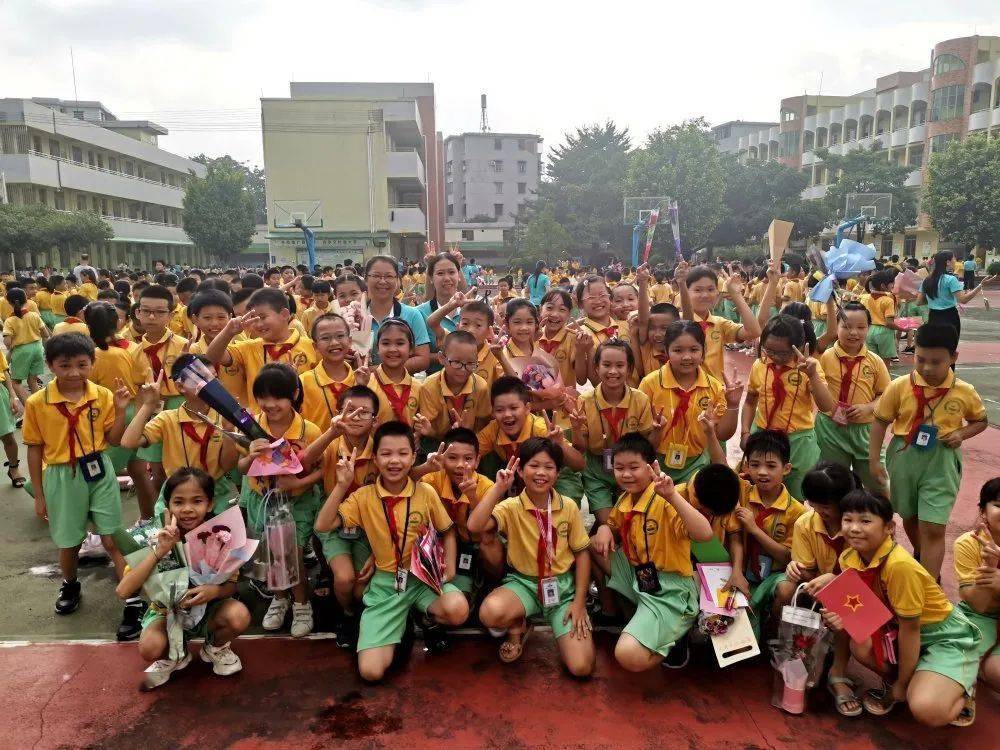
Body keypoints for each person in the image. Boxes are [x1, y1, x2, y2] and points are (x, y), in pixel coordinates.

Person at [804, 490, 981, 726]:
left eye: (865, 521)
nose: (854, 528)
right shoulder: (850, 557)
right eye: (848, 520)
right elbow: (862, 610)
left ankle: (963, 687)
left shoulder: (899, 566)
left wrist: (901, 685)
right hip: (898, 631)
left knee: (926, 710)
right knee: (860, 642)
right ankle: (916, 682)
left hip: (943, 636)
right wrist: (833, 584)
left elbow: (911, 630)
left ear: (889, 528)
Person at [314, 421, 469, 682]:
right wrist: (342, 484)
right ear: (374, 458)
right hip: (387, 583)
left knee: (457, 609)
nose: (394, 461)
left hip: (423, 579)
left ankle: (422, 616)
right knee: (371, 672)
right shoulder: (364, 497)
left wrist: (450, 567)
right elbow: (323, 525)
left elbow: (447, 530)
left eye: (402, 453)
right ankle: (400, 625)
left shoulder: (426, 492)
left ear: (413, 457)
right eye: (386, 454)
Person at [22, 333, 133, 633]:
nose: (74, 372)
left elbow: (113, 439)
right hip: (62, 475)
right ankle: (70, 585)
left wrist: (121, 410)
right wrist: (39, 494)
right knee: (69, 542)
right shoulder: (37, 402)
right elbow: (34, 447)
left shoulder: (103, 396)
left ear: (92, 363)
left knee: (111, 538)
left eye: (82, 365)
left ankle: (133, 600)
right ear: (49, 365)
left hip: (99, 470)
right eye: (64, 365)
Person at [869, 323, 988, 580]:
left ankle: (929, 587)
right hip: (903, 455)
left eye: (936, 362)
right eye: (920, 359)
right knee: (909, 516)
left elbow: (981, 421)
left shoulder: (964, 392)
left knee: (933, 526)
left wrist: (961, 433)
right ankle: (923, 557)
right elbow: (880, 421)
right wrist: (874, 460)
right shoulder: (899, 386)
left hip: (941, 460)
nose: (927, 368)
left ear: (953, 357)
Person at [468, 439, 595, 675]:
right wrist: (498, 488)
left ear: (558, 472)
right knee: (490, 613)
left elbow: (582, 554)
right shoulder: (510, 506)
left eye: (549, 467)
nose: (541, 473)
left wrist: (579, 603)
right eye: (534, 465)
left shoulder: (567, 506)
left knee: (581, 667)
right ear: (519, 469)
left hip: (562, 589)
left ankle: (559, 622)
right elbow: (475, 526)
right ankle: (518, 626)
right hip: (524, 584)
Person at [118, 468, 250, 690]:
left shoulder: (220, 535)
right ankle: (175, 655)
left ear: (209, 504)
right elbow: (123, 591)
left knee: (239, 616)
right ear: (167, 505)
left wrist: (215, 592)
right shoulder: (154, 537)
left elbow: (231, 585)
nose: (187, 509)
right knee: (150, 647)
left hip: (209, 609)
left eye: (197, 501)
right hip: (166, 614)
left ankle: (214, 648)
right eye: (178, 502)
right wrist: (158, 552)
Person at [591, 433, 714, 671]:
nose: (626, 474)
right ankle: (620, 613)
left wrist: (672, 496)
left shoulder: (666, 497)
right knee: (589, 546)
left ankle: (675, 639)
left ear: (650, 468)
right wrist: (605, 528)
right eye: (619, 468)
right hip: (642, 577)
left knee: (628, 655)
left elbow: (704, 535)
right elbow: (613, 526)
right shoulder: (626, 499)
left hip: (669, 588)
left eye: (634, 467)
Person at [240, 363, 323, 638]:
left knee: (292, 553)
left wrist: (298, 483)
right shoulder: (251, 426)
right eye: (263, 397)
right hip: (262, 500)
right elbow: (240, 467)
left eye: (278, 397)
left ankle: (301, 604)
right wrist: (251, 455)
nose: (270, 404)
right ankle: (279, 598)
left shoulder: (309, 430)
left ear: (295, 394)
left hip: (297, 502)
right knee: (271, 552)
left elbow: (324, 469)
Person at [741, 314, 834, 499]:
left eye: (783, 353)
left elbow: (826, 406)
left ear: (799, 346)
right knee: (759, 491)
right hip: (763, 434)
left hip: (797, 441)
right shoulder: (760, 365)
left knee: (795, 495)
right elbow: (750, 401)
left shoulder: (809, 367)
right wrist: (745, 432)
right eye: (769, 350)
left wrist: (813, 376)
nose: (775, 357)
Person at [639, 321, 741, 482]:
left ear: (703, 351)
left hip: (696, 463)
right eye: (678, 350)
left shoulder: (713, 387)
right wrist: (656, 430)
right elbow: (642, 436)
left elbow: (723, 434)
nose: (686, 357)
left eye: (694, 350)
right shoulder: (650, 384)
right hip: (655, 461)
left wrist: (733, 405)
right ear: (666, 351)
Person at [571, 340, 656, 525]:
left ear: (630, 367)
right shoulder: (585, 401)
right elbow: (580, 447)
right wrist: (576, 429)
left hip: (630, 466)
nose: (613, 371)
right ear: (595, 367)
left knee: (631, 520)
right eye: (606, 365)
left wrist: (658, 430)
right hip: (596, 467)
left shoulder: (640, 399)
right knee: (610, 523)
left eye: (620, 365)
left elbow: (646, 445)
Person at [815, 302, 891, 489]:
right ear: (836, 327)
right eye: (846, 327)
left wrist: (868, 407)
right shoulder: (824, 357)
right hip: (830, 428)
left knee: (879, 484)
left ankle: (881, 517)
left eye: (861, 327)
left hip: (865, 430)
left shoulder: (875, 361)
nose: (853, 333)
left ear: (869, 328)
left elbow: (885, 395)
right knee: (832, 483)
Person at [205, 287, 318, 412]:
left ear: (284, 314)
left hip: (305, 425)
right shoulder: (247, 348)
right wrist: (228, 332)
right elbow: (211, 357)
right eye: (254, 319)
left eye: (263, 317)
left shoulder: (312, 347)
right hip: (261, 426)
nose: (258, 324)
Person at [675, 262, 762, 381]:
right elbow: (686, 324)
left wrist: (736, 294)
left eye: (711, 289)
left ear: (717, 292)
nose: (705, 295)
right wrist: (681, 284)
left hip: (715, 392)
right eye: (698, 290)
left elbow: (754, 332)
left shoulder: (720, 324)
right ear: (687, 291)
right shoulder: (677, 322)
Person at [954, 477, 1000, 697]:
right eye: (998, 505)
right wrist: (989, 566)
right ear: (983, 511)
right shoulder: (968, 543)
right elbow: (980, 605)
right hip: (981, 615)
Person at [416, 330, 491, 447]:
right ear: (441, 358)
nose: (463, 369)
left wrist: (466, 433)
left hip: (470, 442)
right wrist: (431, 432)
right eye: (456, 362)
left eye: (471, 363)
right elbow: (429, 428)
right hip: (437, 441)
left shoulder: (481, 386)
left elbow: (483, 422)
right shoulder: (429, 386)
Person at [362, 256, 431, 373]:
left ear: (397, 280)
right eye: (376, 276)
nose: (382, 281)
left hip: (401, 388)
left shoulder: (412, 315)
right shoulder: (354, 316)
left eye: (389, 276)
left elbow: (423, 359)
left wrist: (376, 371)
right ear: (366, 279)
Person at [300, 313, 357, 432]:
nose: (334, 342)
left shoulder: (361, 380)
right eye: (325, 338)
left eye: (340, 336)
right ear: (315, 346)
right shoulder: (303, 382)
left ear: (350, 340)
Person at [918, 250, 993, 339]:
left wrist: (936, 299)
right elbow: (963, 300)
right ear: (948, 262)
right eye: (954, 259)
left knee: (936, 345)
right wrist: (981, 285)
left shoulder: (927, 279)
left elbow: (919, 301)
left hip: (933, 316)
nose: (955, 261)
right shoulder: (951, 279)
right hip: (949, 316)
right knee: (949, 346)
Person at [3, 287, 49, 403]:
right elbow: (45, 334)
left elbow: (7, 343)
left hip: (21, 351)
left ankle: (29, 408)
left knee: (16, 383)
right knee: (32, 380)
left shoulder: (10, 320)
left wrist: (12, 343)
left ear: (9, 303)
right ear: (26, 300)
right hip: (37, 348)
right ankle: (41, 405)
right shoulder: (34, 315)